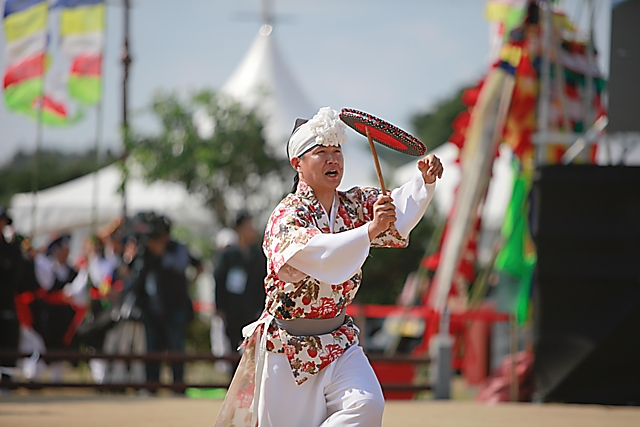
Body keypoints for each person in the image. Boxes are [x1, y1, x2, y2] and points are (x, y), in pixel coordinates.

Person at [214, 107, 443, 427]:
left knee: (367, 405)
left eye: (337, 151)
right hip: (288, 347)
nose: (333, 159)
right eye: (321, 152)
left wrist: (423, 181)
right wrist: (369, 231)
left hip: (339, 340)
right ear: (298, 164)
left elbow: (395, 212)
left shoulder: (354, 203)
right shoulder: (286, 217)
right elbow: (319, 255)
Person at [130, 214, 201, 391]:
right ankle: (151, 387)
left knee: (176, 349)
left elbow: (188, 265)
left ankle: (178, 387)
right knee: (152, 351)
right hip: (151, 310)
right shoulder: (144, 251)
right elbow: (132, 275)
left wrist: (163, 256)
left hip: (175, 308)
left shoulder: (177, 248)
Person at [214, 213, 267, 359]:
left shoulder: (259, 256)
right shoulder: (228, 256)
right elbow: (219, 281)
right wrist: (220, 309)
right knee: (232, 350)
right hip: (232, 311)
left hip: (253, 311)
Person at [0, 206, 22, 384]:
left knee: (7, 338)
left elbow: (16, 276)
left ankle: (6, 379)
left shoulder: (11, 249)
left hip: (5, 300)